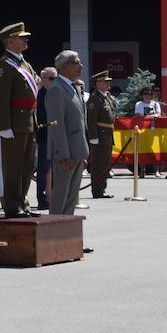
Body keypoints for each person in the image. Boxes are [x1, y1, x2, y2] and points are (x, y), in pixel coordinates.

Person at [0, 23, 39, 217]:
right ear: (10, 40)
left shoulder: (24, 63)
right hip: (14, 125)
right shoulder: (4, 65)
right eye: (22, 37)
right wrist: (4, 125)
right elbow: (1, 98)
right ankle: (12, 206)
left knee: (27, 166)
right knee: (14, 166)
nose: (26, 40)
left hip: (28, 122)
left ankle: (23, 202)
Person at [47, 51, 89, 216]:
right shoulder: (56, 89)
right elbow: (57, 126)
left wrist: (82, 152)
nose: (81, 66)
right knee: (61, 197)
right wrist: (64, 155)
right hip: (66, 154)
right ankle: (54, 234)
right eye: (76, 63)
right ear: (64, 67)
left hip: (77, 151)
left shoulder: (73, 87)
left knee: (71, 198)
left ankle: (66, 237)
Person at [85, 71, 117, 199]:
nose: (108, 84)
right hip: (99, 135)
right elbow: (91, 120)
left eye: (109, 81)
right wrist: (93, 138)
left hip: (107, 135)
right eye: (105, 81)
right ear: (98, 83)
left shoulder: (105, 97)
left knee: (105, 164)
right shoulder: (94, 99)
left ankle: (102, 188)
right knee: (98, 164)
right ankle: (97, 190)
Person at [34, 67, 57, 210]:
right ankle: (42, 199)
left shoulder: (56, 94)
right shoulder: (39, 95)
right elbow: (40, 117)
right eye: (52, 78)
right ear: (44, 80)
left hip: (57, 137)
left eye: (56, 78)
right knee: (44, 168)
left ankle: (53, 196)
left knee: (55, 168)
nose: (55, 81)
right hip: (45, 137)